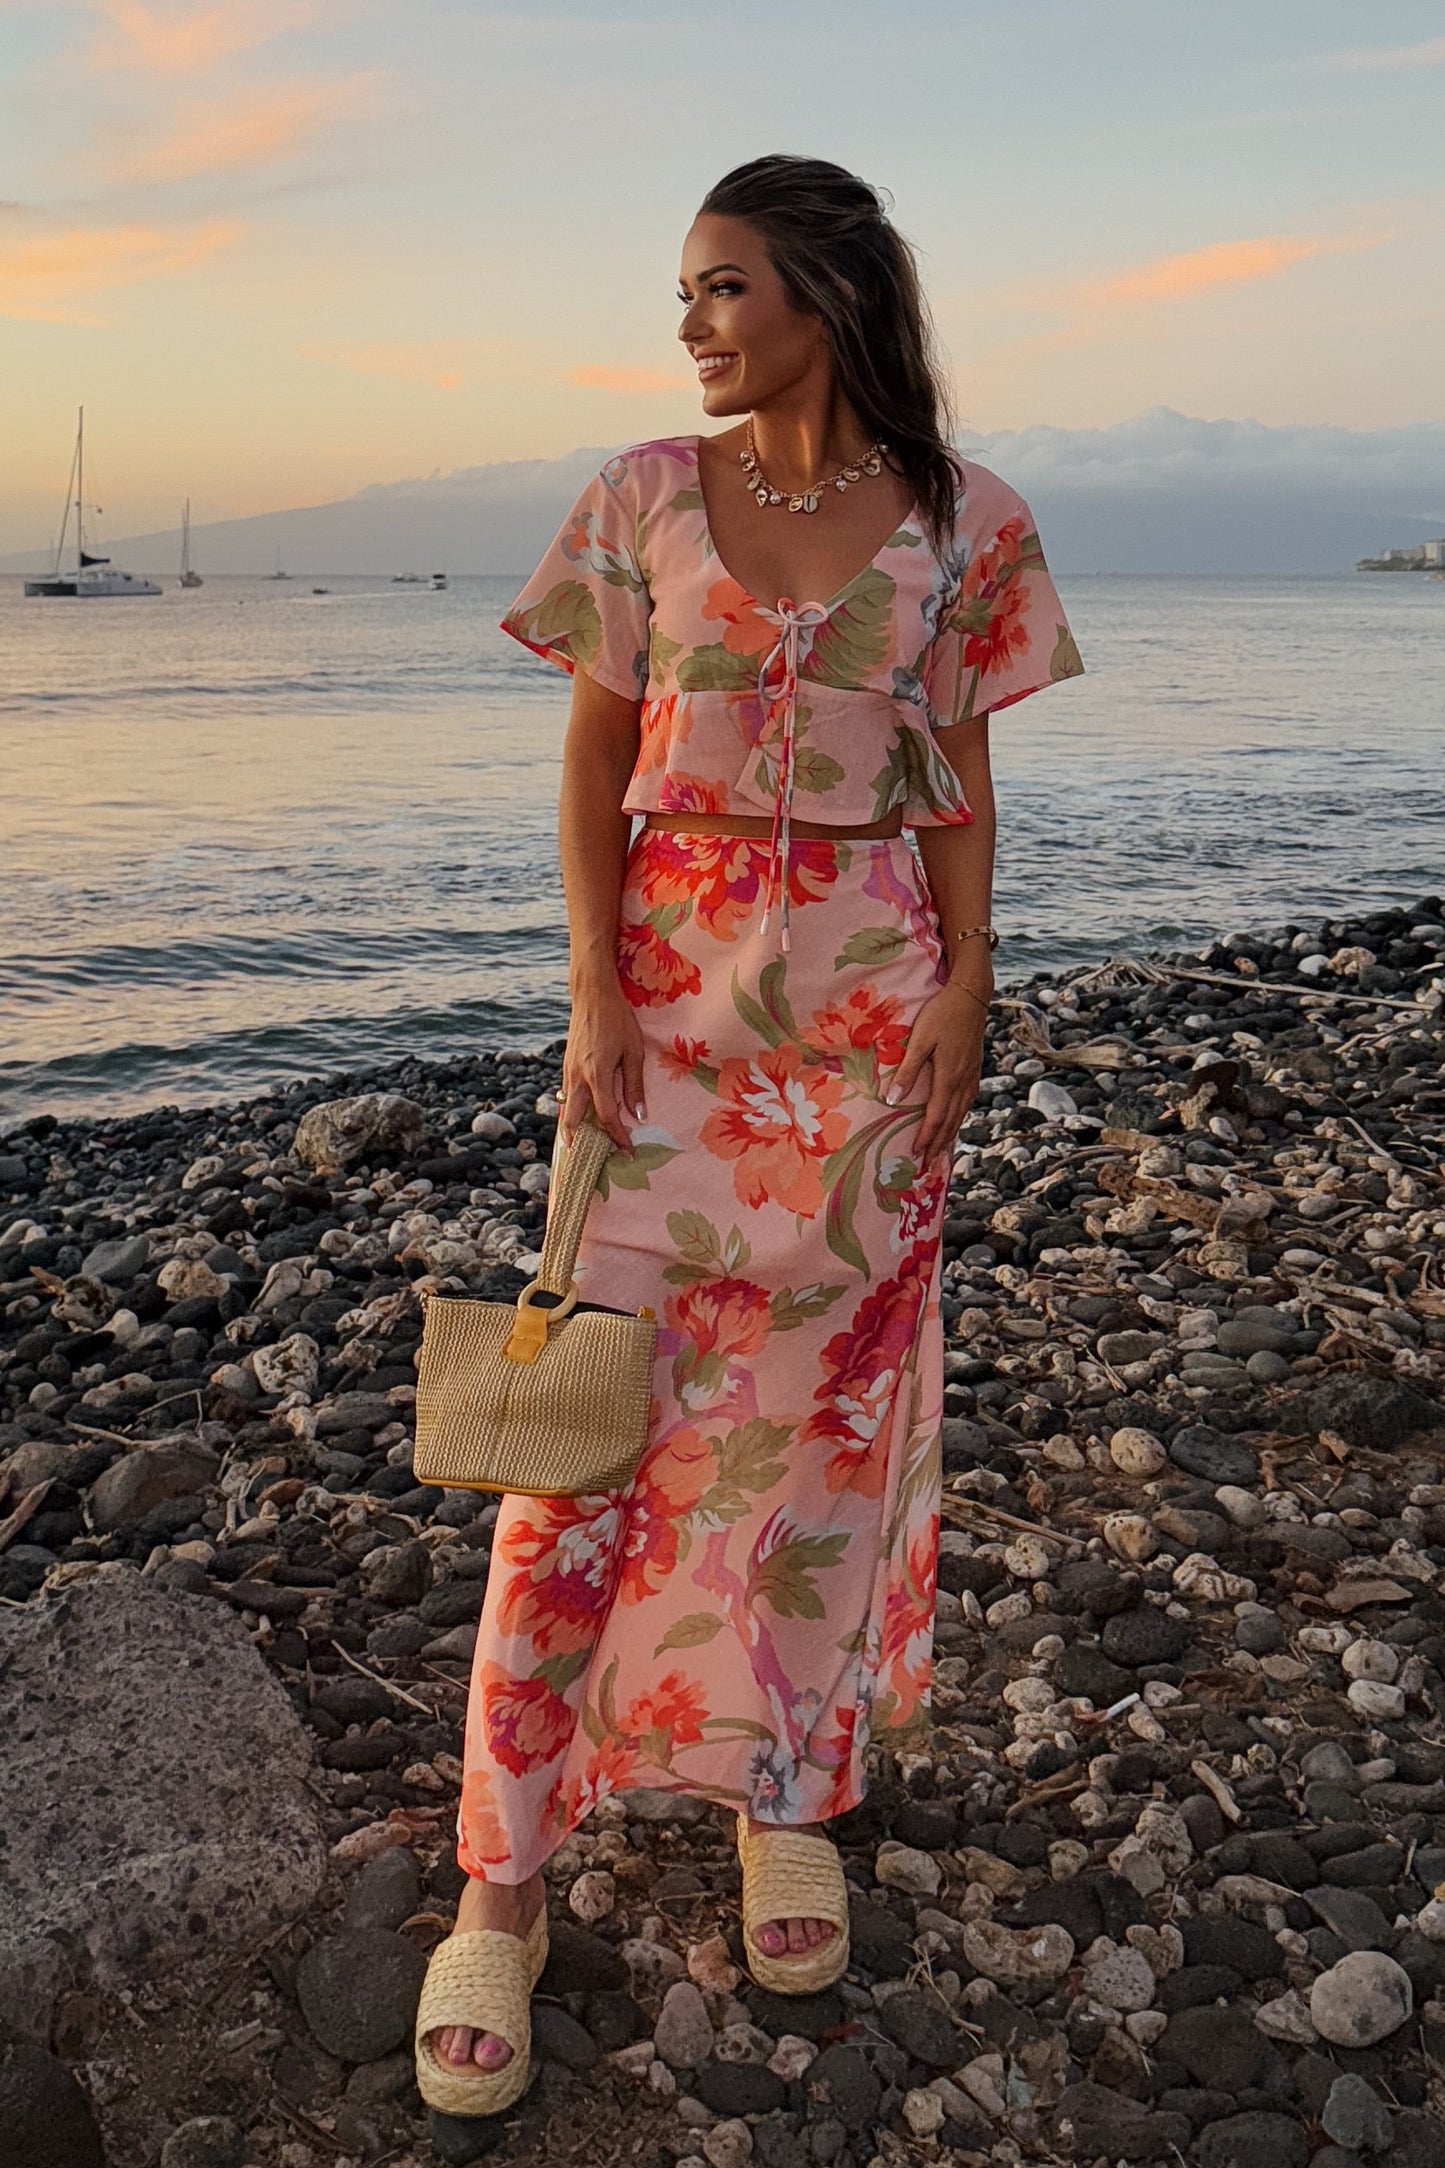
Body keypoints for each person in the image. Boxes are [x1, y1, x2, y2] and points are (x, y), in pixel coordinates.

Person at [414, 152, 1084, 2114]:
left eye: (720, 286)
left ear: (825, 288)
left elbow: (955, 772)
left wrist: (972, 978)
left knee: (819, 1435)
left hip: (874, 1046)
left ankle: (782, 1788)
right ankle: (503, 1880)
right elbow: (598, 750)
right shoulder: (639, 499)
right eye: (683, 293)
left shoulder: (973, 522)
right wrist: (597, 993)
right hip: (666, 1038)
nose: (690, 322)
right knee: (585, 1435)